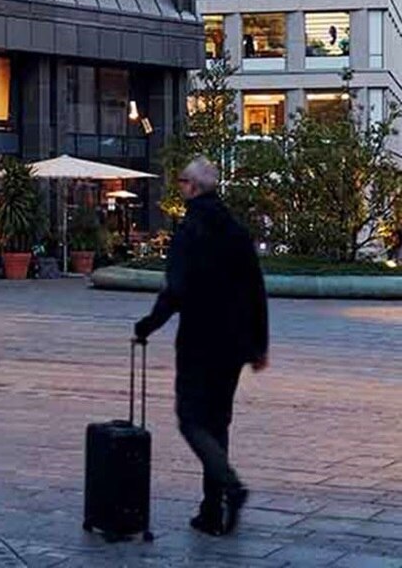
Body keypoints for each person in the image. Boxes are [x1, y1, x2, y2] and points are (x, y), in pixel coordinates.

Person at [134, 156, 268, 537]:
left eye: (182, 181)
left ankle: (229, 486)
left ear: (193, 187)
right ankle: (211, 510)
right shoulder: (236, 230)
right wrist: (259, 345)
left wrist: (148, 325)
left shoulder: (190, 231)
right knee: (218, 422)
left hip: (199, 342)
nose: (180, 186)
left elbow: (175, 289)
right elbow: (256, 289)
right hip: (234, 345)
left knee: (191, 420)